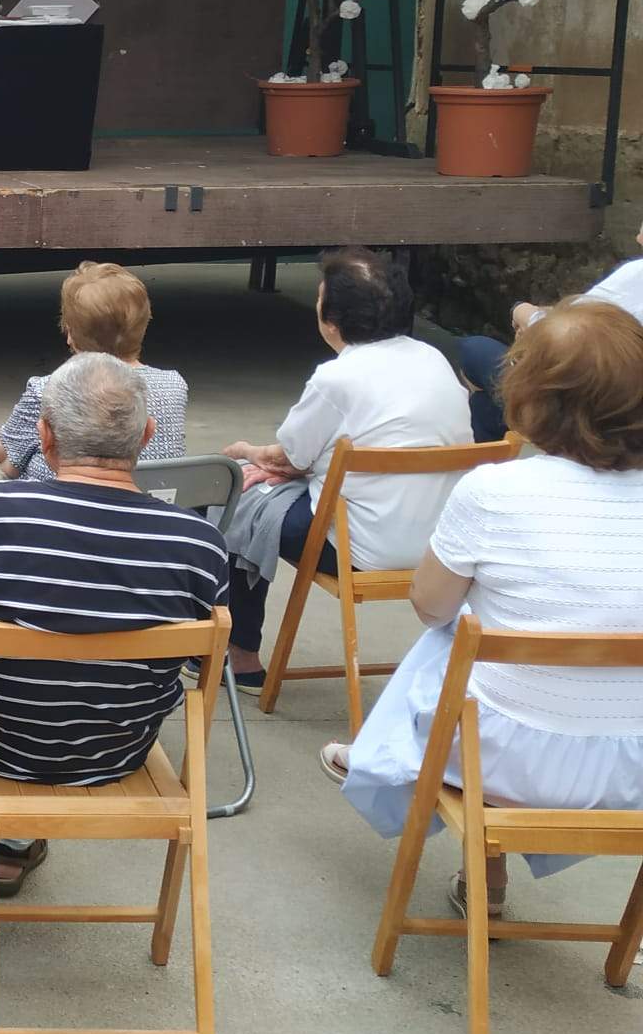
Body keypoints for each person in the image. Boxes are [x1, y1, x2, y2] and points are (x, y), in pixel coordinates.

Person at [326, 301, 643, 918]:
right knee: (491, 646)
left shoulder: (497, 489)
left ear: (531, 392)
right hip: (633, 768)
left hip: (502, 762)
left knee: (455, 636)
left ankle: (383, 761)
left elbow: (428, 605)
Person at [0, 352, 228, 895]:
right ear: (147, 435)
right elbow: (196, 663)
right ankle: (14, 844)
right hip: (119, 751)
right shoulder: (199, 543)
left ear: (45, 437)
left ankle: (7, 842)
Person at [219, 248, 471, 686]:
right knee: (269, 488)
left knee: (239, 500)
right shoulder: (433, 359)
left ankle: (241, 656)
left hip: (359, 548)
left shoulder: (337, 377)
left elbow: (289, 458)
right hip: (441, 546)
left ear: (331, 320)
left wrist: (245, 450)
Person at [0, 261, 186, 483]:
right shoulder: (174, 384)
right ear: (144, 326)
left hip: (59, 506)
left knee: (8, 469)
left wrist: (12, 462)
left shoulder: (49, 388)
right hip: (151, 502)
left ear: (70, 334)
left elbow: (1, 451)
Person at [455, 215, 643, 441]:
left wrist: (524, 312)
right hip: (611, 399)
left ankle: (527, 433)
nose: (638, 238)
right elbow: (581, 316)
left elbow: (578, 330)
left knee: (472, 350)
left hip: (593, 403)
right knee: (485, 405)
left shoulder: (637, 274)